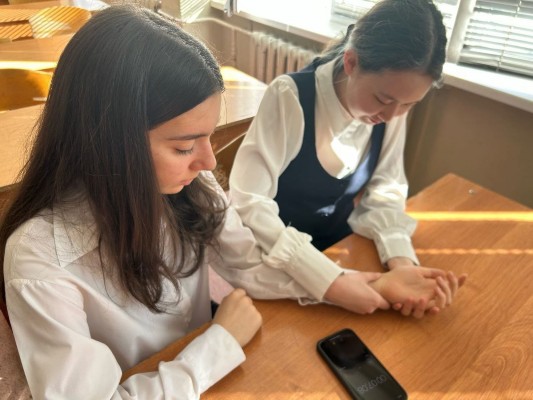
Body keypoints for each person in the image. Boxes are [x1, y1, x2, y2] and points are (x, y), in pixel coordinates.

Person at [1, 5, 456, 400]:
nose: (208, 162)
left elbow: (246, 263)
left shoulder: (189, 187)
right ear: (107, 143)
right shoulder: (41, 261)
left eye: (208, 137)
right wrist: (219, 342)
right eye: (184, 146)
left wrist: (356, 284)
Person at [229, 0, 467, 317]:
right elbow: (249, 205)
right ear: (351, 62)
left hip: (339, 251)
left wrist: (402, 263)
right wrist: (332, 281)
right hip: (274, 261)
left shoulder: (391, 111)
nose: (393, 115)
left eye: (409, 105)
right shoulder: (290, 97)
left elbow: (386, 190)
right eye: (383, 99)